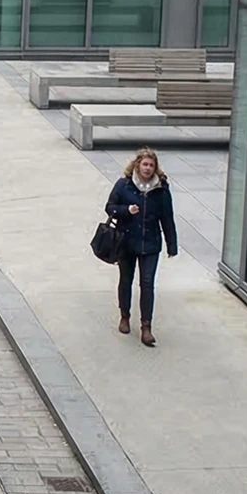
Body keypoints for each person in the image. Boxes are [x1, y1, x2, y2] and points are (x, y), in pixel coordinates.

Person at [105, 147, 178, 347]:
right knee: (126, 280)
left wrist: (172, 244)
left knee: (147, 284)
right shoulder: (124, 185)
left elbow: (167, 217)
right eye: (144, 164)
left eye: (151, 165)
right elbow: (109, 207)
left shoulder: (161, 190)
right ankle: (124, 316)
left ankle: (146, 326)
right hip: (127, 242)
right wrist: (126, 210)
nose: (147, 168)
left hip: (151, 243)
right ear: (137, 165)